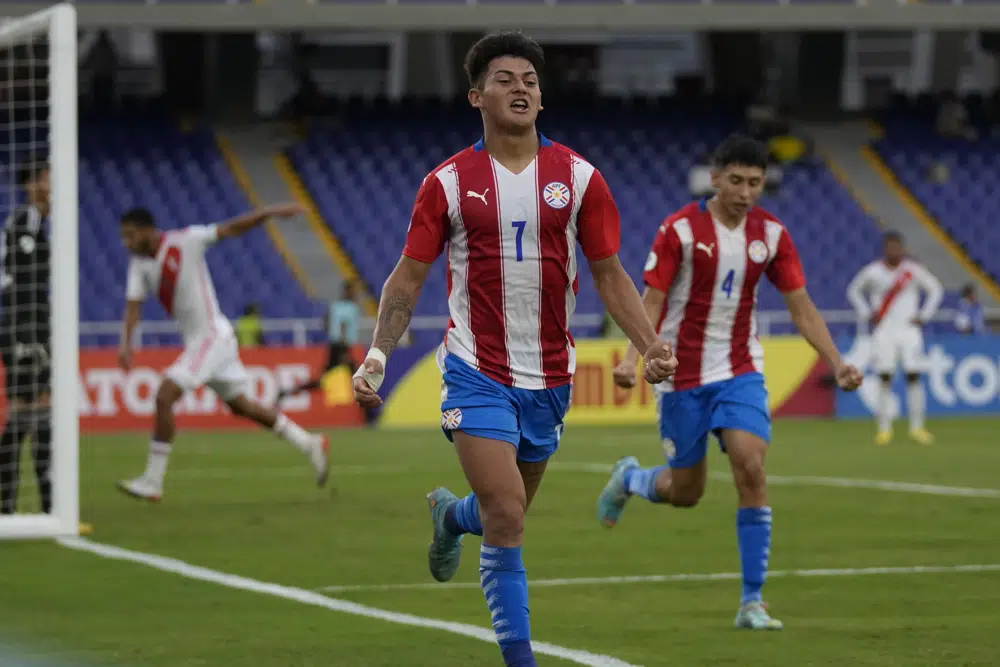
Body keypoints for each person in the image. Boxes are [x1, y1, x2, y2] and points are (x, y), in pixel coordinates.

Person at [351, 31, 677, 667]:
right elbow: (407, 278)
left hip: (550, 376)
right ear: (477, 96)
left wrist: (649, 345)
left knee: (507, 508)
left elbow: (609, 273)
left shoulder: (580, 178)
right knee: (507, 512)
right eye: (505, 79)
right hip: (475, 368)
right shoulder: (447, 183)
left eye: (530, 80)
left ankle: (451, 518)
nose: (521, 88)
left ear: (542, 97)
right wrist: (378, 355)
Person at [598, 134, 864, 631]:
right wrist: (633, 359)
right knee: (686, 491)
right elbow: (651, 301)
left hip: (741, 369)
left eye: (755, 183)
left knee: (751, 465)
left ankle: (752, 602)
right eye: (736, 181)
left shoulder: (772, 235)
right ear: (715, 178)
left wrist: (837, 361)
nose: (745, 192)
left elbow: (801, 307)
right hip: (681, 376)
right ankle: (631, 479)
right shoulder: (679, 230)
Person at [116, 204, 330, 502]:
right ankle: (309, 443)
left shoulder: (186, 240)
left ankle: (152, 481)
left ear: (148, 231)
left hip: (212, 337)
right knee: (244, 407)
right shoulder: (138, 266)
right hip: (201, 343)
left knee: (164, 396)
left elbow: (231, 228)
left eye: (130, 235)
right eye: (124, 237)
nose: (126, 243)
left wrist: (268, 212)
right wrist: (126, 343)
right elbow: (133, 307)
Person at [847, 231, 942, 445]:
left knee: (913, 376)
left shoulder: (912, 270)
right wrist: (866, 312)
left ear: (902, 248)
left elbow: (935, 289)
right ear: (885, 249)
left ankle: (917, 427)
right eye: (890, 247)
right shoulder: (873, 272)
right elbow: (853, 291)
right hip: (884, 331)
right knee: (885, 377)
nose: (894, 251)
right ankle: (884, 429)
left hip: (909, 330)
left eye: (897, 247)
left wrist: (924, 315)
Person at [0, 161, 54, 516]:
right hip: (22, 327)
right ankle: (18, 501)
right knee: (30, 410)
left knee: (34, 411)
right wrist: (25, 335)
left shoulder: (39, 225)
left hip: (36, 325)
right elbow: (18, 284)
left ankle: (39, 501)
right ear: (33, 184)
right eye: (49, 179)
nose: (54, 186)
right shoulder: (23, 223)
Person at [277, 281, 360, 403]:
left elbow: (325, 322)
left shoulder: (335, 306)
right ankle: (370, 407)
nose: (356, 294)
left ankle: (287, 392)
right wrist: (343, 348)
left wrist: (333, 333)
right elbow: (343, 326)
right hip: (341, 347)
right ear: (347, 292)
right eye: (353, 292)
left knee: (321, 382)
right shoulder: (351, 308)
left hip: (335, 346)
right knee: (358, 376)